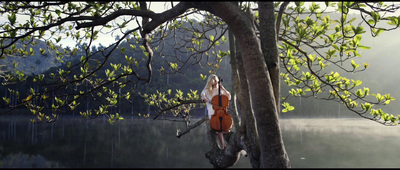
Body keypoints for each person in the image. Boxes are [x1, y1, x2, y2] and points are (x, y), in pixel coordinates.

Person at [201, 74, 231, 149]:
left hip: (221, 111)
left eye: (217, 82)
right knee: (219, 129)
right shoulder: (208, 90)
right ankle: (223, 145)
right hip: (212, 111)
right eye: (214, 82)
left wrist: (223, 88)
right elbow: (202, 94)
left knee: (226, 128)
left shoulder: (219, 90)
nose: (216, 83)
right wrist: (205, 98)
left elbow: (229, 96)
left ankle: (228, 143)